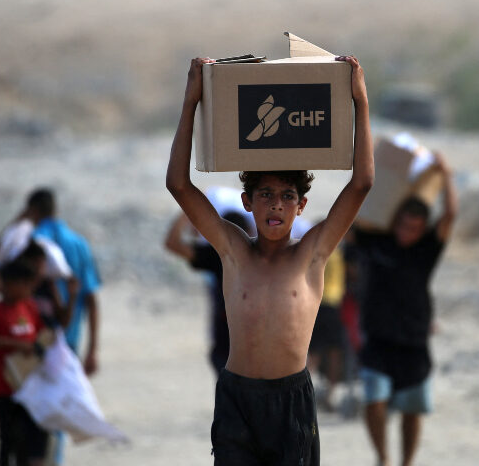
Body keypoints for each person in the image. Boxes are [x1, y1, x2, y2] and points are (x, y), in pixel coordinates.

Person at [166, 55, 373, 465]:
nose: (276, 205)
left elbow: (362, 183)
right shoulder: (233, 250)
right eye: (265, 195)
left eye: (287, 197)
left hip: (291, 401)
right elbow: (178, 184)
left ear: (301, 206)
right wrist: (191, 101)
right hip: (237, 399)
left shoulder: (312, 254)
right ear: (248, 201)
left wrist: (360, 102)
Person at [354, 154, 457, 466]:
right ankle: (383, 458)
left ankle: (406, 462)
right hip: (378, 338)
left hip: (414, 339)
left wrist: (446, 175)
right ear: (394, 220)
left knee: (413, 410)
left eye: (414, 227)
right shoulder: (377, 241)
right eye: (402, 224)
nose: (407, 231)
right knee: (373, 401)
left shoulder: (427, 249)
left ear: (422, 228)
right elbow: (354, 218)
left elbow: (450, 215)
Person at [0, 260, 49, 466]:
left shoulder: (29, 307)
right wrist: (18, 345)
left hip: (29, 388)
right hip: (4, 388)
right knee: (7, 441)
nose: (29, 289)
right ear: (11, 284)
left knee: (27, 444)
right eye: (25, 284)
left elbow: (43, 334)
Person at [165, 211, 253, 375]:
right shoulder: (260, 256)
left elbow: (173, 243)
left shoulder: (218, 255)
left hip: (226, 348)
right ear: (250, 232)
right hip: (248, 350)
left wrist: (187, 212)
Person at [26, 189, 101, 374]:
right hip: (70, 341)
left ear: (32, 211)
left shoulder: (32, 242)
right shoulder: (79, 243)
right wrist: (92, 350)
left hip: (32, 339)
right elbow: (91, 299)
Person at [307, 245, 346, 412]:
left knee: (313, 353)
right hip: (333, 304)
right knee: (334, 353)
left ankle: (304, 394)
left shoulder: (310, 253)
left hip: (315, 303)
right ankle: (331, 394)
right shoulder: (338, 252)